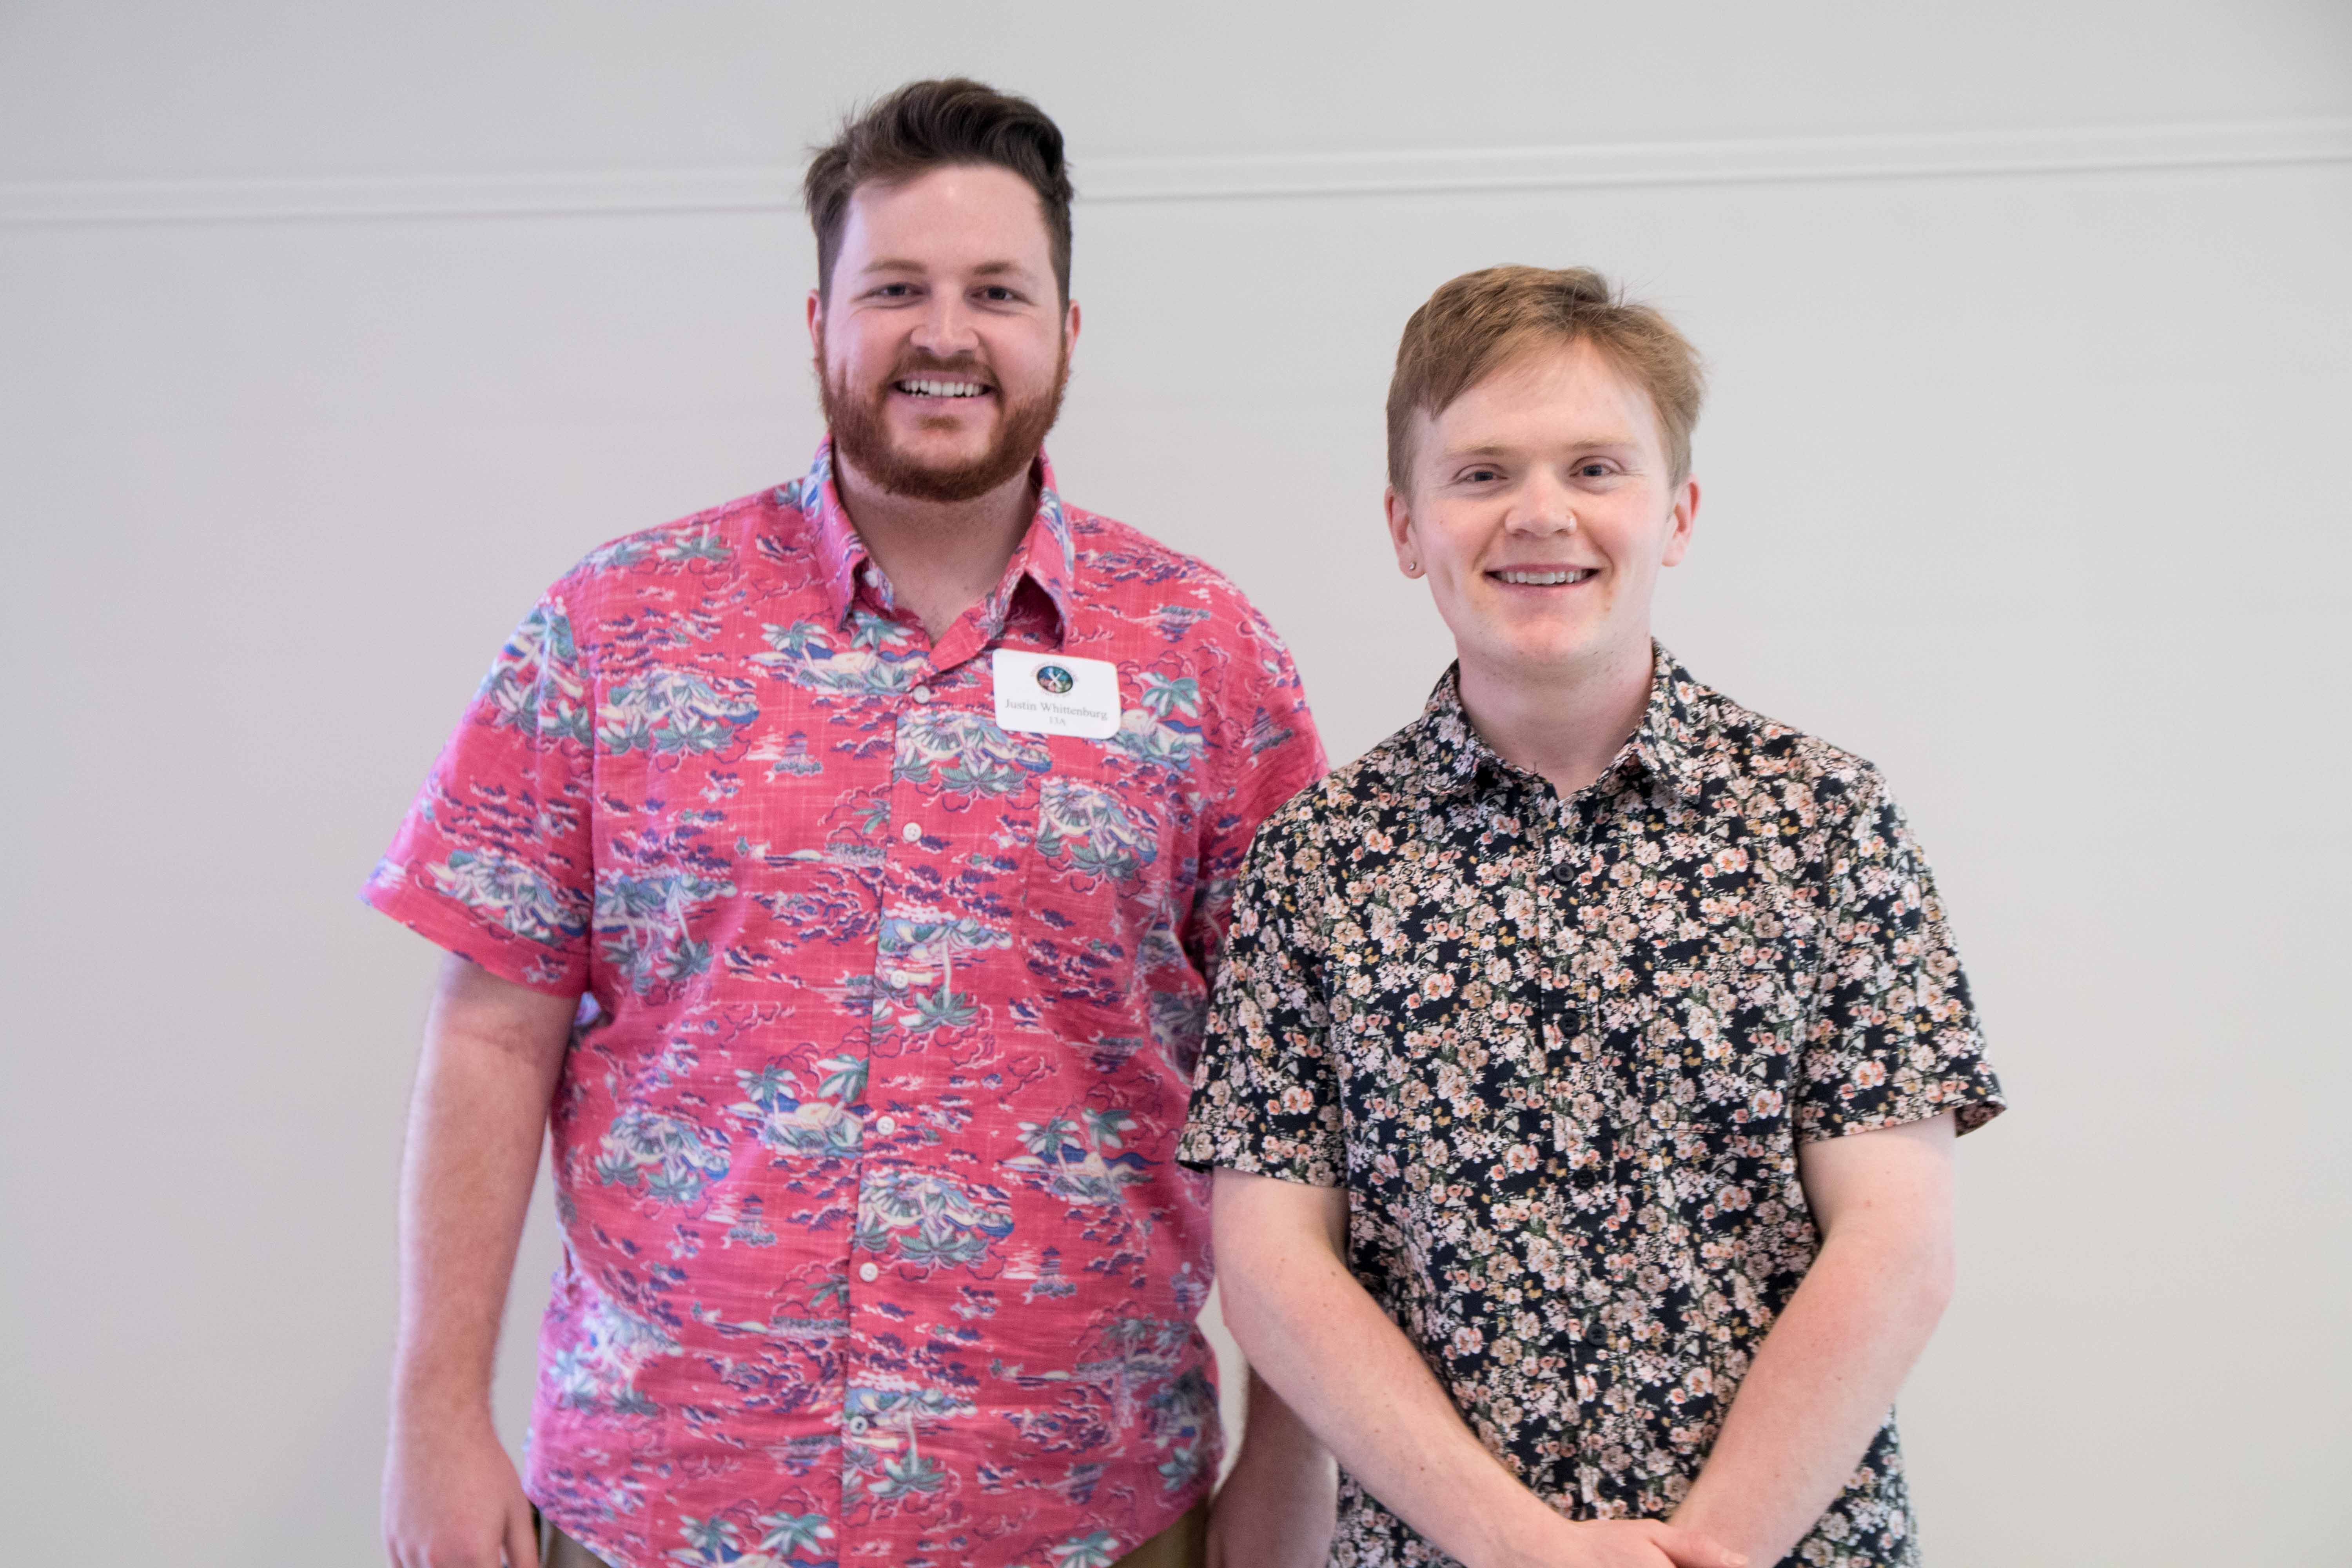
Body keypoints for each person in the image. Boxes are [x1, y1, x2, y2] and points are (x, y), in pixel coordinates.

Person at [370, 78, 1336, 1568]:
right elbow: (494, 1037)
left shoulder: (1207, 658)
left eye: (997, 292)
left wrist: (1293, 1453)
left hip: (1086, 1509)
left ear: (1068, 331)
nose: (945, 334)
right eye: (895, 289)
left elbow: (1298, 1086)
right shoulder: (616, 629)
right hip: (665, 1504)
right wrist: (435, 1417)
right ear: (819, 322)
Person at [1179, 265, 2006, 1568]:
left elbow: (1896, 1243)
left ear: (1677, 513)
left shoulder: (1824, 824)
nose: (1539, 512)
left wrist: (1707, 1551)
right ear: (1406, 526)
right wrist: (1524, 1550)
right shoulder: (1317, 866)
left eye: (1595, 468)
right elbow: (1275, 1271)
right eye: (1481, 473)